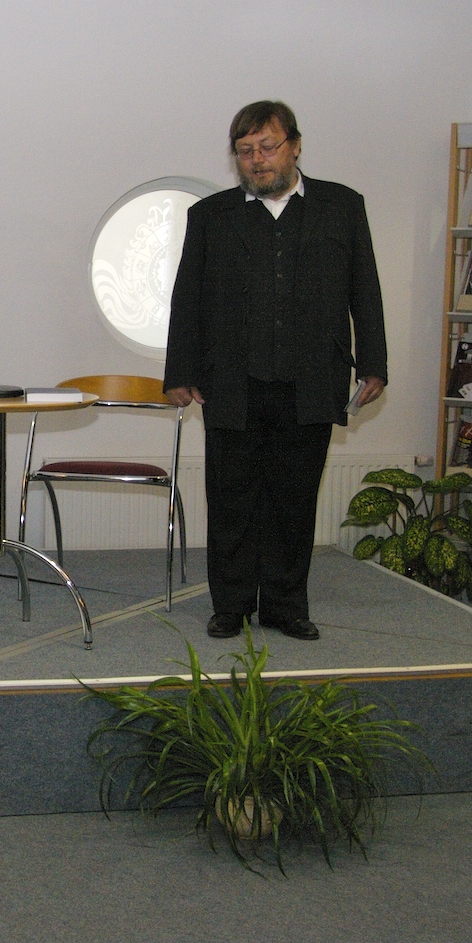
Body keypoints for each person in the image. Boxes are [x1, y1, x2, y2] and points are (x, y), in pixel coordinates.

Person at [164, 100, 387, 643]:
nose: (257, 159)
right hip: (231, 381)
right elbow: (187, 297)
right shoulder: (211, 215)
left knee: (294, 499)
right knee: (231, 499)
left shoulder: (342, 206)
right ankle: (231, 605)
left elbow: (365, 289)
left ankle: (287, 606)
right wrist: (179, 371)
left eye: (267, 147)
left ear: (295, 146)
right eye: (245, 151)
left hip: (311, 380)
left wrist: (374, 364)